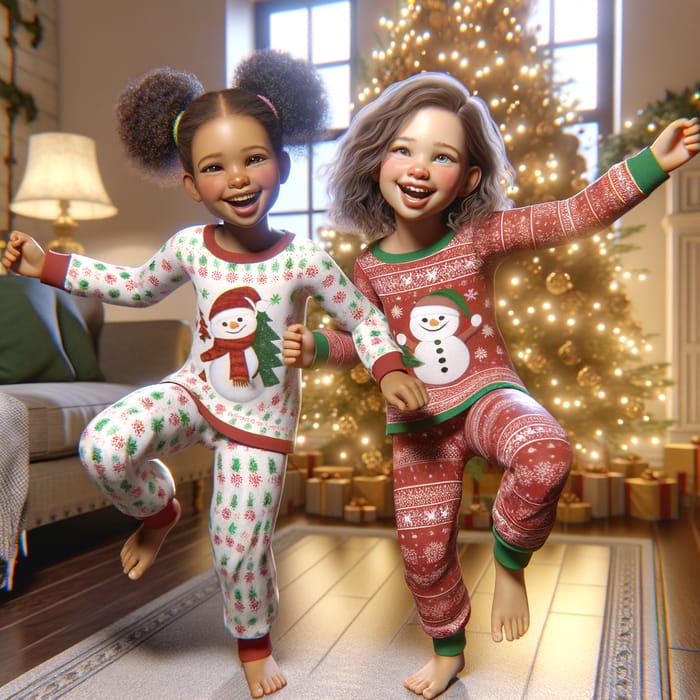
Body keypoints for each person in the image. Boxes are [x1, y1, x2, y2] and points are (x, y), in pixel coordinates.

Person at [1, 51, 428, 699]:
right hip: (194, 393)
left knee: (237, 550)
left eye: (254, 158)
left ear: (282, 163)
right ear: (192, 185)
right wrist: (49, 267)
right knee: (105, 446)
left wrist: (389, 366)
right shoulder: (189, 247)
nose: (236, 179)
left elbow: (365, 321)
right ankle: (160, 508)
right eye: (214, 167)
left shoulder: (305, 259)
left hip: (260, 427)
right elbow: (134, 286)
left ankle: (254, 644)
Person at [282, 72, 700, 699]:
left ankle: (510, 560)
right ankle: (448, 650)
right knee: (423, 552)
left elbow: (569, 215)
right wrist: (319, 346)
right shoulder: (366, 269)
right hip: (420, 428)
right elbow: (364, 343)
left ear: (468, 179)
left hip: (487, 396)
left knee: (545, 452)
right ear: (376, 162)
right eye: (404, 149)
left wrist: (651, 163)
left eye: (441, 156)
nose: (419, 168)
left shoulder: (479, 236)